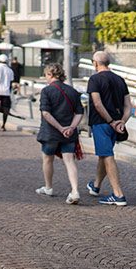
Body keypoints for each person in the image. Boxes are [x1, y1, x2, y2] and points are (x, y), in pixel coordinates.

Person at [85, 51, 131, 206]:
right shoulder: (120, 80)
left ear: (95, 63)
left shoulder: (94, 79)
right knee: (104, 154)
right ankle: (96, 186)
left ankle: (118, 195)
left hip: (102, 123)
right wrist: (122, 122)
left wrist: (110, 121)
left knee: (107, 155)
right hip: (117, 124)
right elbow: (128, 106)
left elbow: (97, 104)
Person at [35, 63, 83, 205]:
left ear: (50, 74)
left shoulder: (47, 91)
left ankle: (48, 187)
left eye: (46, 75)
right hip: (69, 133)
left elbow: (46, 113)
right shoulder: (72, 91)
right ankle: (75, 191)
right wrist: (71, 128)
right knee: (69, 160)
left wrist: (60, 128)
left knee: (47, 159)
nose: (45, 78)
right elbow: (80, 112)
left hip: (50, 133)